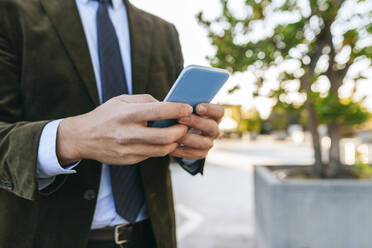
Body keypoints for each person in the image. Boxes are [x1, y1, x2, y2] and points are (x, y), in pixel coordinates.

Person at [0, 0, 224, 247]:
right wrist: (68, 139)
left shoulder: (164, 31)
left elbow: (167, 124)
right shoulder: (10, 13)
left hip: (151, 236)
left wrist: (189, 142)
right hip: (46, 237)